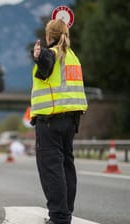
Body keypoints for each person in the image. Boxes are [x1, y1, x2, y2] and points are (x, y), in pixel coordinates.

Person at [30, 19, 88, 224]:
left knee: (51, 169)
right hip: (70, 122)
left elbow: (45, 63)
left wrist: (37, 57)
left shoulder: (51, 54)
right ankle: (65, 212)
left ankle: (59, 217)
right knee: (65, 167)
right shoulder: (73, 57)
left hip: (50, 122)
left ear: (49, 37)